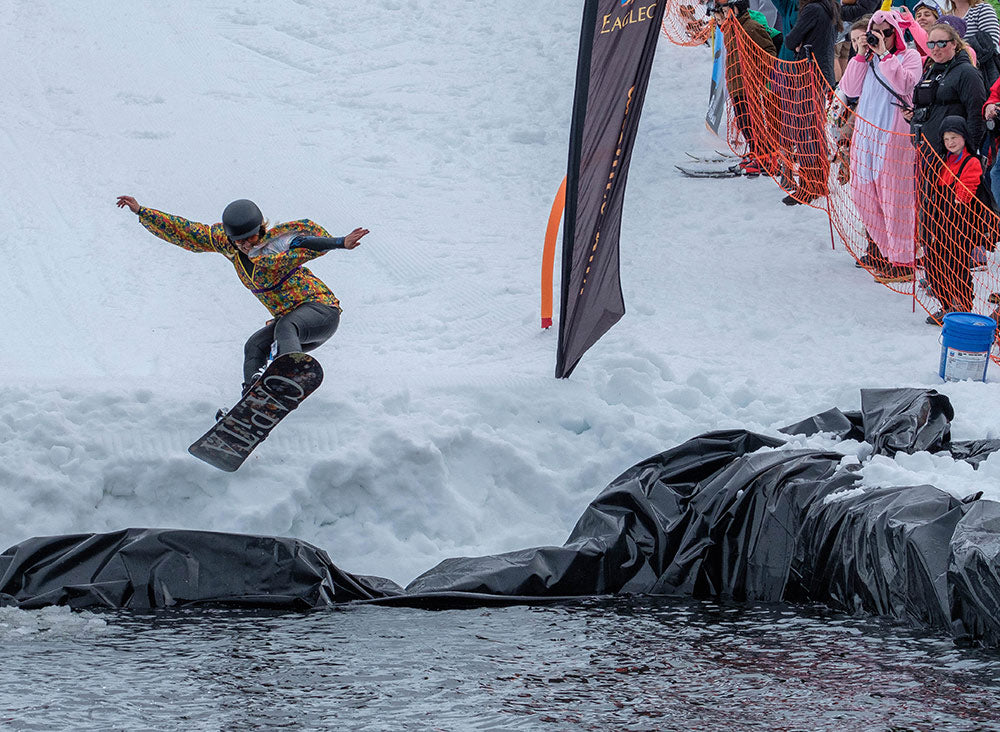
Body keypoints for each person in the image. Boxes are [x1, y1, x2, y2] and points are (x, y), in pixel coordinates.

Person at [115, 195, 369, 396]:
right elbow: (188, 232)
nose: (246, 246)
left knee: (285, 326)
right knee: (254, 345)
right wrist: (142, 212)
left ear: (261, 228)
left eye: (251, 238)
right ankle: (256, 397)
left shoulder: (277, 243)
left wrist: (340, 242)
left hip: (321, 311)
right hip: (290, 323)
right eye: (240, 242)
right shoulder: (227, 244)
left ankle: (290, 372)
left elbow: (308, 242)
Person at [838, 10, 924, 282]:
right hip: (866, 135)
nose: (881, 37)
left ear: (896, 33)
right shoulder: (867, 60)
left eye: (887, 32)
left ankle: (904, 259)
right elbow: (850, 89)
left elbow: (905, 84)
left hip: (893, 135)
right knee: (863, 194)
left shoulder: (907, 57)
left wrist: (886, 55)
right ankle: (889, 253)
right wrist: (862, 55)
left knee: (895, 198)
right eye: (877, 33)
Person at [780, 0, 841, 204]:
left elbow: (790, 40)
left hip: (810, 74)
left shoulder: (813, 9)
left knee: (804, 129)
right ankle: (818, 181)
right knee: (813, 129)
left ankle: (809, 185)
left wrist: (798, 42)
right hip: (821, 73)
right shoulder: (829, 6)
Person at [924, 115, 982, 322]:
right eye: (946, 139)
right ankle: (946, 304)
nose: (950, 143)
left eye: (954, 138)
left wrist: (959, 199)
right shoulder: (942, 160)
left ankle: (963, 307)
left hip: (959, 222)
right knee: (935, 264)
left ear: (964, 137)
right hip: (939, 219)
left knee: (956, 266)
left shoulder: (970, 161)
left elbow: (968, 188)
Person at [714, 0, 777, 175]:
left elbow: (769, 50)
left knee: (753, 122)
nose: (724, 15)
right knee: (744, 123)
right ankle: (755, 152)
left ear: (736, 10)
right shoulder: (731, 29)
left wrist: (758, 72)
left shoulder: (750, 27)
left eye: (726, 11)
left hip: (750, 84)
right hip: (737, 84)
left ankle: (764, 157)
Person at [908, 22, 987, 156]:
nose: (936, 49)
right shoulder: (931, 71)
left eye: (942, 43)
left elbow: (977, 115)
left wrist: (968, 153)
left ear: (954, 44)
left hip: (952, 153)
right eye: (931, 44)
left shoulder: (967, 72)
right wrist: (911, 116)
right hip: (926, 150)